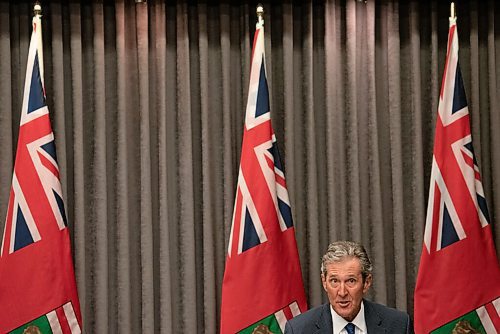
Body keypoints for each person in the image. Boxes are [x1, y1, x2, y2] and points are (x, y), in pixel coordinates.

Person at [284, 241, 413, 334]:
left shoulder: (398, 325)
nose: (342, 292)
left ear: (366, 282)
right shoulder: (298, 330)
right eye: (334, 281)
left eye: (350, 281)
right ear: (324, 282)